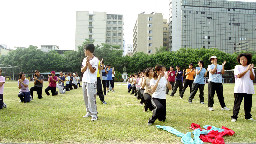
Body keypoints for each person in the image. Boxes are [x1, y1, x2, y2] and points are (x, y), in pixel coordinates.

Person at [231, 53, 255, 122]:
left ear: (248, 60)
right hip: (239, 88)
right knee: (237, 103)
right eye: (241, 59)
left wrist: (250, 70)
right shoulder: (237, 67)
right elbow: (238, 76)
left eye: (244, 59)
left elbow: (252, 78)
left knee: (248, 104)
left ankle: (248, 116)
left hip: (248, 88)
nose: (243, 61)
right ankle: (234, 116)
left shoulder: (250, 68)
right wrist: (247, 69)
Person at [81, 44, 99, 121]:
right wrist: (86, 64)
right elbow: (82, 70)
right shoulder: (84, 59)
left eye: (85, 50)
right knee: (85, 97)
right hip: (84, 80)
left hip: (91, 81)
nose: (84, 52)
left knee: (91, 98)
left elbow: (92, 70)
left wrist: (89, 63)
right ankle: (88, 111)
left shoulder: (95, 60)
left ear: (88, 51)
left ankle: (94, 114)